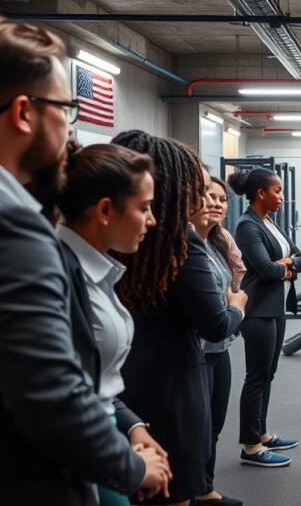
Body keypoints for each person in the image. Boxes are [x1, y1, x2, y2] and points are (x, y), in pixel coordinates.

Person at [0, 10, 168, 506]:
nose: (69, 128)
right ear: (24, 113)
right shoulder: (4, 225)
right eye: (66, 109)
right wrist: (133, 468)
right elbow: (51, 397)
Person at [114, 132, 246, 506]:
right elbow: (215, 324)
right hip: (172, 385)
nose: (204, 199)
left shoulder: (123, 244)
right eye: (197, 189)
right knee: (172, 490)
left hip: (128, 386)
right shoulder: (178, 245)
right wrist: (237, 305)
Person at [55, 144, 173, 506]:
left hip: (104, 432)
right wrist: (130, 467)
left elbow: (95, 380)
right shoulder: (57, 272)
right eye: (144, 207)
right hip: (83, 448)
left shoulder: (95, 271)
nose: (151, 221)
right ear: (105, 210)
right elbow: (58, 395)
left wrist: (131, 425)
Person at [229, 167, 301, 467]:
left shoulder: (269, 221)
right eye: (278, 191)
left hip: (276, 307)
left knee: (268, 374)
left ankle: (261, 433)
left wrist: (285, 263)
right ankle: (251, 447)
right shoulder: (247, 226)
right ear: (261, 193)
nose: (282, 197)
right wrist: (284, 267)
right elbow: (265, 269)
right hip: (258, 310)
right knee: (256, 376)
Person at [194, 176, 246, 506]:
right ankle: (193, 489)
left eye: (222, 199)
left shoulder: (215, 242)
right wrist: (236, 308)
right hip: (198, 350)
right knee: (197, 426)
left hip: (220, 346)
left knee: (214, 423)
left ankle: (205, 487)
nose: (216, 203)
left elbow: (233, 284)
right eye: (208, 195)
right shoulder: (186, 248)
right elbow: (227, 302)